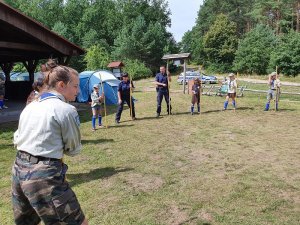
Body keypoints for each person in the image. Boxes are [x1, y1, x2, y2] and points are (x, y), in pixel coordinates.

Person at [12, 64, 88, 225]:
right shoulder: (66, 110)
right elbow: (73, 149)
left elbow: (17, 138)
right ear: (62, 85)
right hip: (44, 176)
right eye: (75, 86)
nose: (78, 91)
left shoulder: (31, 106)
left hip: (18, 169)